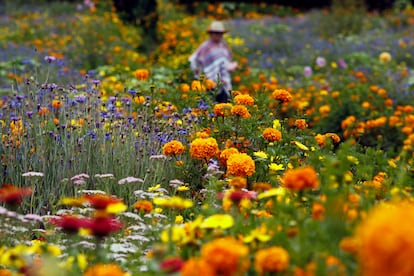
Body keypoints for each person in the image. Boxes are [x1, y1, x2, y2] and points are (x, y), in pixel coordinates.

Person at [189, 21, 238, 103]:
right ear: (211, 33)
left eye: (220, 33)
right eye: (216, 33)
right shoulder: (206, 46)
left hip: (224, 82)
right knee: (211, 104)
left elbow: (225, 61)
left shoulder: (223, 45)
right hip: (210, 82)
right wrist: (199, 73)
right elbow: (194, 59)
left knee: (223, 106)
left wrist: (231, 66)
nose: (218, 35)